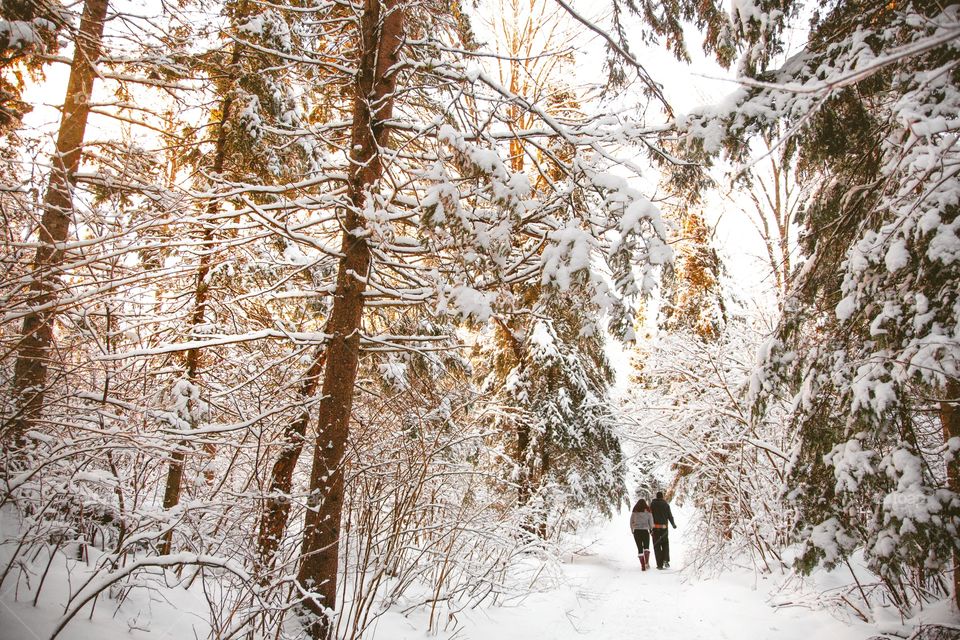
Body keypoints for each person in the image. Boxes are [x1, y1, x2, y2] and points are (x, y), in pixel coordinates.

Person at [650, 491, 676, 570]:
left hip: (655, 528)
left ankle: (659, 564)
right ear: (662, 497)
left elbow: (649, 516)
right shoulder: (666, 505)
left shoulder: (652, 505)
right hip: (664, 528)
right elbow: (670, 516)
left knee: (656, 545)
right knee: (665, 543)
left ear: (656, 497)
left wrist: (649, 528)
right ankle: (665, 559)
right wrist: (673, 524)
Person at [629, 498, 653, 570]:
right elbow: (651, 522)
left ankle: (642, 566)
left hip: (637, 531)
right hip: (645, 531)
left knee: (639, 548)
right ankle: (646, 563)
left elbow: (631, 521)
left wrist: (632, 530)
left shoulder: (635, 511)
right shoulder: (648, 511)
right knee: (646, 547)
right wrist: (651, 529)